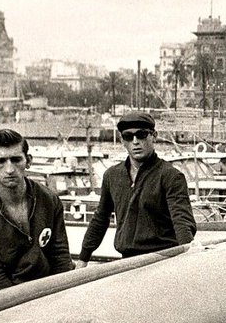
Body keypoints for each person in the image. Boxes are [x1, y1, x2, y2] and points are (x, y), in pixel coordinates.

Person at [77, 110, 195, 264]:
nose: (135, 141)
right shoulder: (112, 176)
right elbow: (100, 219)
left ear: (154, 136)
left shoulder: (171, 176)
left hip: (162, 261)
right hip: (127, 262)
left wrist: (189, 256)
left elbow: (182, 220)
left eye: (141, 135)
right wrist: (83, 258)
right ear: (122, 140)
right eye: (128, 136)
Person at [0, 128, 74, 293]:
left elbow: (61, 256)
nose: (9, 169)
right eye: (0, 161)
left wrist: (61, 296)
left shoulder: (49, 200)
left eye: (16, 160)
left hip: (52, 292)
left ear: (28, 161)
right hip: (10, 301)